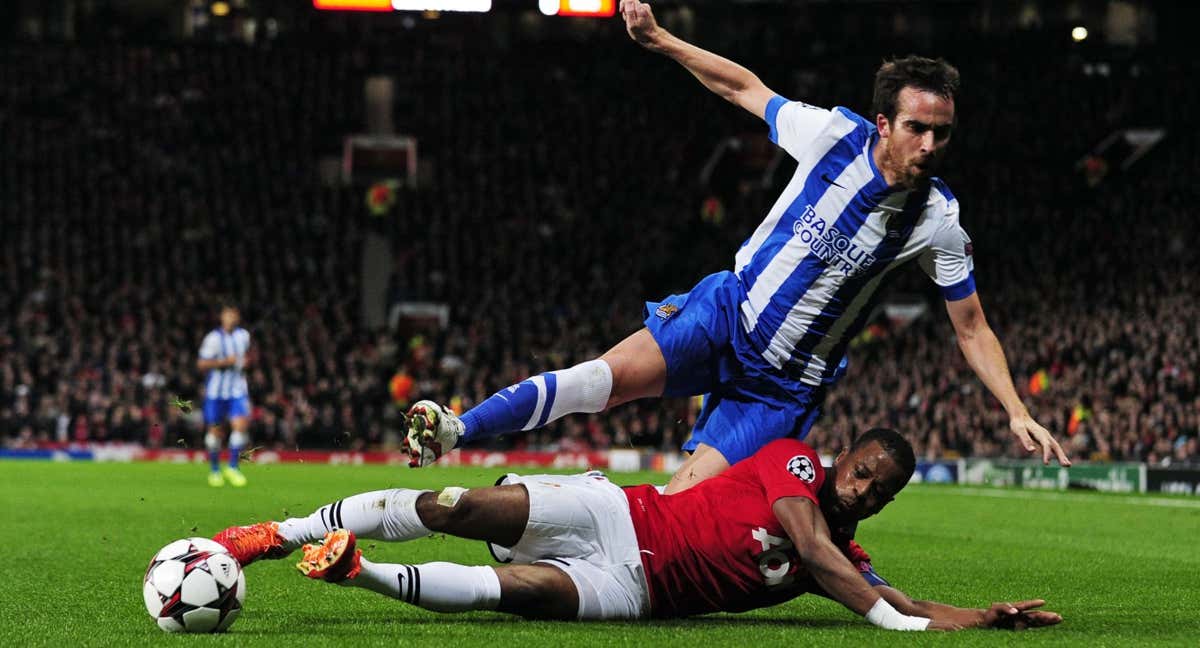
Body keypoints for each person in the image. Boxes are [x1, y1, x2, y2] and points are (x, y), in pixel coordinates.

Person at [403, 1, 1069, 491]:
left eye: (943, 133)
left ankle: (536, 507)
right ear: (884, 123)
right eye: (920, 128)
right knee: (598, 382)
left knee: (677, 510)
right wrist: (661, 39)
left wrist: (1016, 411)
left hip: (783, 387)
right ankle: (458, 430)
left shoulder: (937, 218)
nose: (931, 145)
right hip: (727, 313)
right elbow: (743, 88)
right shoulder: (830, 135)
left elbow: (973, 326)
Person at [212, 429, 1061, 631]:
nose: (865, 486)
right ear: (845, 458)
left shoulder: (845, 560)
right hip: (623, 511)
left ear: (885, 501)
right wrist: (893, 623)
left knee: (508, 593)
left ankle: (350, 567)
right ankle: (279, 531)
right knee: (457, 510)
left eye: (880, 488)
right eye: (864, 468)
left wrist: (984, 618)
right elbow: (819, 554)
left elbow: (893, 592)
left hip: (636, 591)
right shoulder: (795, 463)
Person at [196, 303, 252, 487]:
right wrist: (223, 362)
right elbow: (201, 364)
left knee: (240, 426)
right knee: (215, 433)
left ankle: (233, 467)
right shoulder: (213, 338)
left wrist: (245, 364)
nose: (231, 318)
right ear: (222, 317)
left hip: (237, 390)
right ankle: (214, 470)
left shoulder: (243, 336)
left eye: (234, 315)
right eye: (228, 315)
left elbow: (246, 358)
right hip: (216, 392)